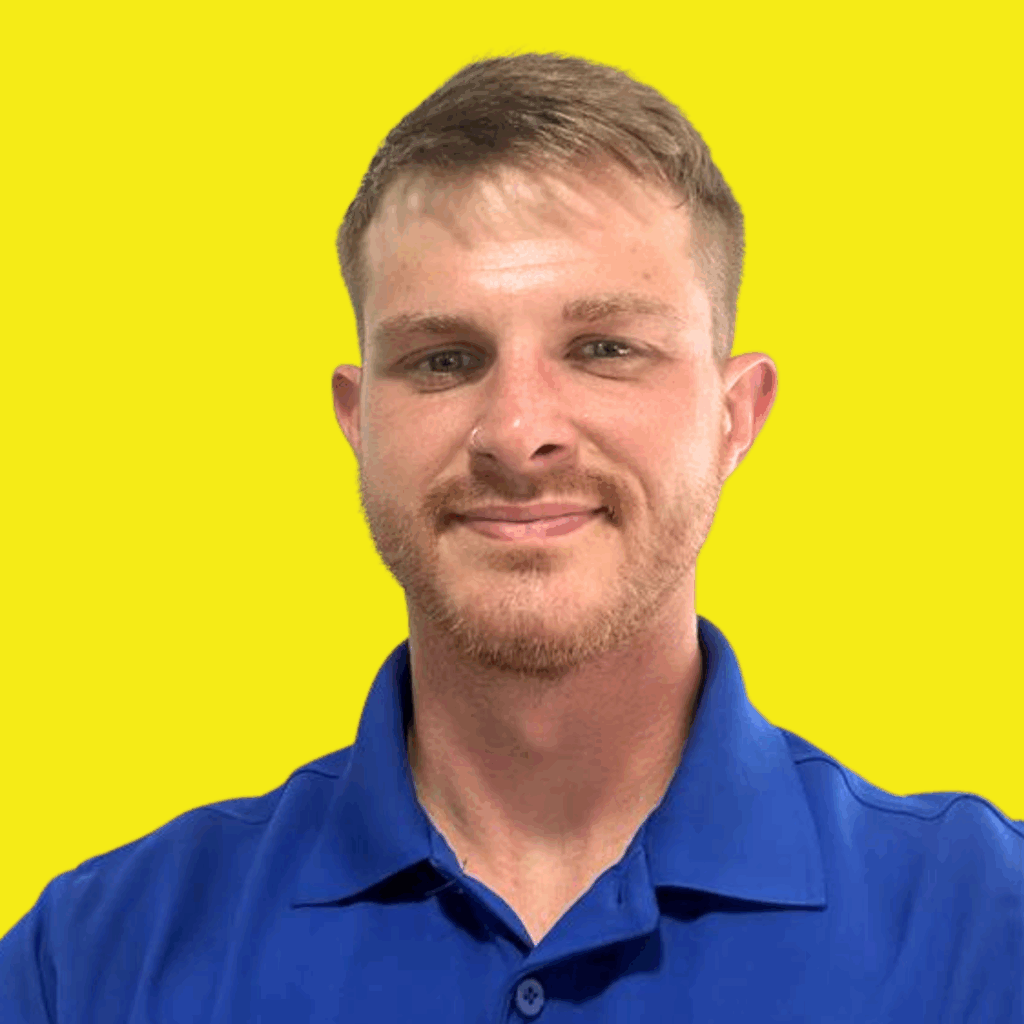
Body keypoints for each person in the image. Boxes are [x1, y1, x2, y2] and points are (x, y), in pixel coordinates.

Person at [1, 52, 1020, 1023]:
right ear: (359, 424)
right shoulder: (95, 959)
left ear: (733, 415)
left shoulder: (985, 931)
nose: (517, 431)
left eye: (604, 347)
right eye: (445, 359)